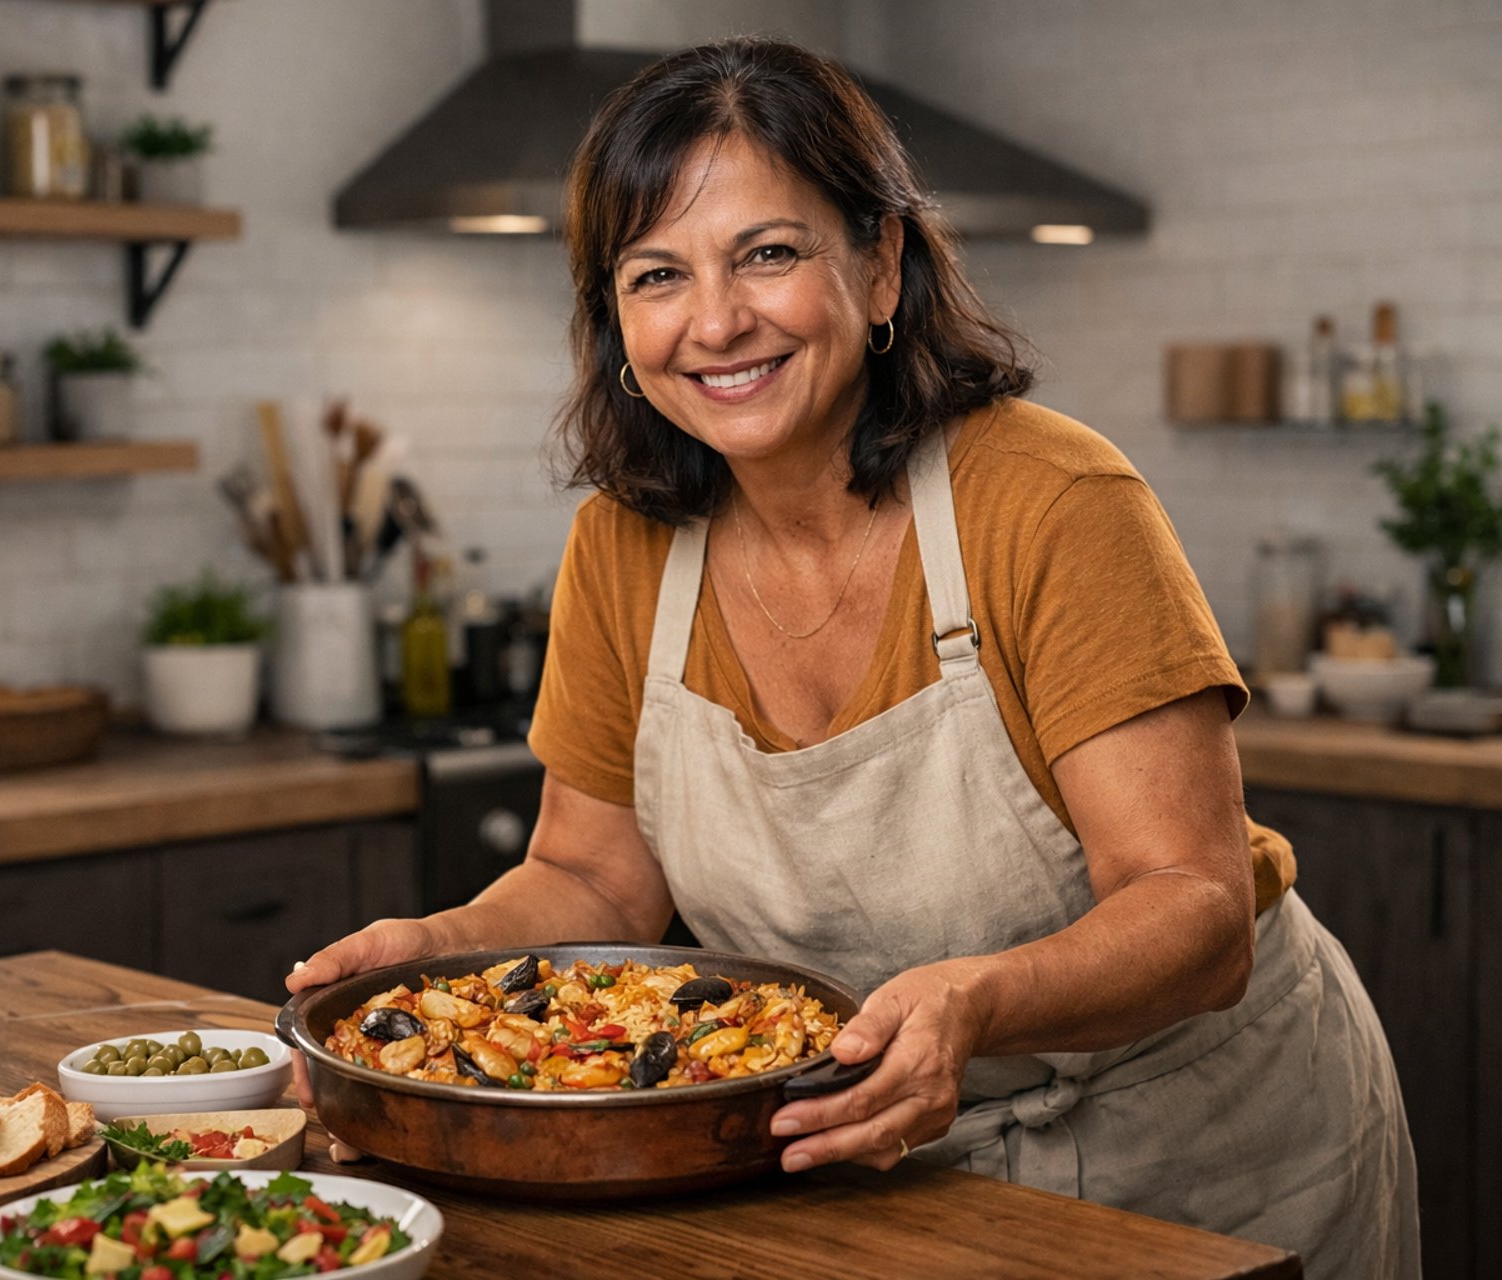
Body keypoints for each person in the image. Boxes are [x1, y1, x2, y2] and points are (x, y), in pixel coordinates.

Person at [289, 37, 1417, 1277]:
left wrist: (973, 1001)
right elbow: (596, 884)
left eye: (768, 254)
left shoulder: (1053, 502)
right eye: (656, 273)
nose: (714, 322)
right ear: (614, 317)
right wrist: (448, 947)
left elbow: (1199, 913)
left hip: (1204, 1166)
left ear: (881, 268)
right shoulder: (623, 546)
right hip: (876, 1176)